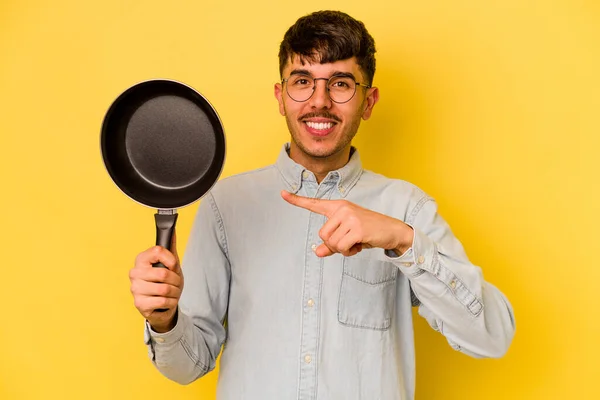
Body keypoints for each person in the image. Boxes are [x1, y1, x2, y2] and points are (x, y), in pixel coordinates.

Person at [129, 10, 515, 400]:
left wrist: (403, 241)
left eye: (341, 84)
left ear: (368, 101)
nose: (320, 101)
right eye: (302, 82)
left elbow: (492, 338)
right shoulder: (225, 205)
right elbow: (187, 366)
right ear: (281, 98)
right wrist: (165, 320)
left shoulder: (406, 208)